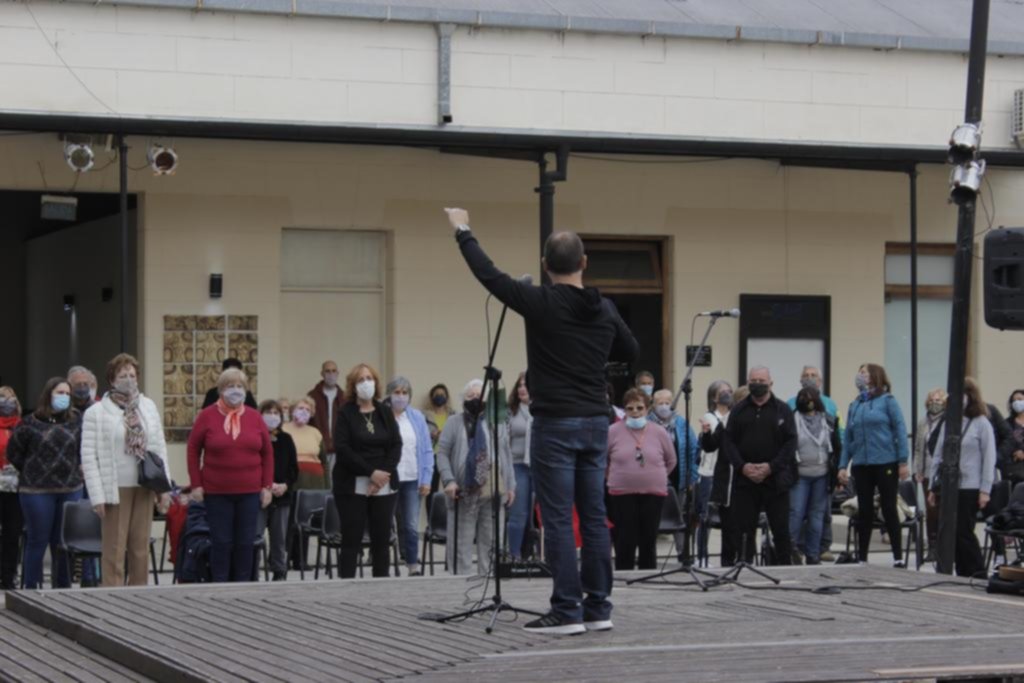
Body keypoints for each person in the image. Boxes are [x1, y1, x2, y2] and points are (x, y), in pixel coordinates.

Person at [447, 207, 638, 635]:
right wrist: (594, 362)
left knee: (555, 518)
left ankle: (566, 611)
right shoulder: (604, 308)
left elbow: (490, 276)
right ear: (584, 263)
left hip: (556, 425)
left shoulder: (540, 301)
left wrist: (463, 231)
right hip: (594, 421)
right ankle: (598, 607)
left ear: (544, 266)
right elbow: (631, 349)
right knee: (593, 517)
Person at [80, 353, 171, 587]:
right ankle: (112, 596)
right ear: (112, 379)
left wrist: (164, 488)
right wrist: (97, 495)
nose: (128, 379)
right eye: (123, 375)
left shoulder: (147, 406)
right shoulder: (96, 412)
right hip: (114, 489)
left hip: (144, 485)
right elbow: (89, 457)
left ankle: (137, 596)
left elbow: (159, 448)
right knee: (114, 549)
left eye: (132, 375)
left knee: (140, 548)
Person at [188, 368, 273, 582]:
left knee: (245, 543)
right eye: (230, 386)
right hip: (217, 492)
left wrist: (267, 486)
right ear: (220, 390)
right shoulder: (207, 415)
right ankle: (219, 587)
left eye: (240, 386)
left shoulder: (254, 417)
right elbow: (193, 449)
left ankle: (242, 588)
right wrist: (196, 484)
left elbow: (267, 453)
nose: (235, 391)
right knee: (222, 542)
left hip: (250, 492)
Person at [6, 378, 83, 588]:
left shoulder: (77, 421)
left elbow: (82, 450)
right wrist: (34, 470)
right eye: (60, 392)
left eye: (68, 394)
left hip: (70, 489)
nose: (64, 397)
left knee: (62, 544)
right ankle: (31, 589)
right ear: (48, 394)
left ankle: (62, 589)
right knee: (37, 541)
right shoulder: (29, 423)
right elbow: (13, 452)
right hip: (37, 491)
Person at [437, 379, 515, 576]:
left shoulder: (497, 421)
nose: (475, 399)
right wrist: (449, 480)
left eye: (479, 396)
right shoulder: (453, 422)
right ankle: (459, 586)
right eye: (470, 396)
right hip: (463, 492)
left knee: (491, 543)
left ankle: (487, 584)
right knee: (460, 545)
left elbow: (506, 454)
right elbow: (443, 453)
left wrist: (511, 485)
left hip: (493, 490)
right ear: (463, 399)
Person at [720, 366, 797, 566]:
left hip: (775, 480)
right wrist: (742, 466)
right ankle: (745, 567)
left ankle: (785, 570)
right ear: (748, 383)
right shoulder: (737, 410)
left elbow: (790, 443)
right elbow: (728, 442)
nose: (758, 384)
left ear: (771, 383)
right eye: (754, 380)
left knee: (780, 529)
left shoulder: (783, 410)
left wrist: (771, 467)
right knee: (744, 530)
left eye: (762, 381)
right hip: (745, 481)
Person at [838, 363, 909, 567]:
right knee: (865, 510)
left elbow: (900, 430)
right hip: (862, 464)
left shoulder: (888, 401)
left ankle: (897, 556)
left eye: (864, 373)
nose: (859, 376)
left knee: (888, 507)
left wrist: (902, 461)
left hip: (885, 461)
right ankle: (862, 557)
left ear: (875, 376)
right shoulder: (855, 405)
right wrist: (843, 465)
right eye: (859, 372)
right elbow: (848, 439)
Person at [334, 363, 400, 578]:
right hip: (352, 483)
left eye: (369, 378)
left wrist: (381, 476)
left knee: (381, 540)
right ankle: (346, 585)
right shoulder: (346, 413)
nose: (366, 383)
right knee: (351, 539)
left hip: (384, 483)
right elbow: (343, 448)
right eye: (361, 380)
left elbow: (395, 445)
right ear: (353, 386)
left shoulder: (384, 412)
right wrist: (371, 473)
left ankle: (380, 585)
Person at [928, 378, 996, 578]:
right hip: (948, 486)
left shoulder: (981, 423)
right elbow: (938, 454)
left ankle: (977, 571)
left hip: (970, 485)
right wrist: (933, 486)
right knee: (949, 530)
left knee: (963, 531)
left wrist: (985, 489)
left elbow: (989, 458)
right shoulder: (949, 422)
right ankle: (961, 570)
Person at [607, 388, 676, 570]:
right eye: (630, 408)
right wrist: (613, 476)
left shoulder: (659, 431)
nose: (635, 412)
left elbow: (671, 460)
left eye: (640, 408)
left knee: (648, 539)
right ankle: (623, 576)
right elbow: (602, 460)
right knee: (624, 540)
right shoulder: (612, 431)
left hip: (654, 493)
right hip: (621, 493)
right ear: (624, 410)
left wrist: (657, 475)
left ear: (648, 409)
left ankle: (648, 577)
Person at [787, 365, 842, 562]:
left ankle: (813, 554)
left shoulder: (828, 419)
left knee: (817, 516)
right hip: (799, 476)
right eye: (804, 399)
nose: (808, 402)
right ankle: (790, 550)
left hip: (822, 475)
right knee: (795, 513)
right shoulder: (792, 417)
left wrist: (838, 472)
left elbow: (837, 445)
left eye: (811, 399)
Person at [386, 376, 434, 576]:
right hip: (389, 478)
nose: (401, 396)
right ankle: (381, 561)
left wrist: (426, 478)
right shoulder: (383, 416)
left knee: (411, 524)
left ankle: (412, 564)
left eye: (404, 393)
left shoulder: (417, 417)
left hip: (412, 477)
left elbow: (426, 450)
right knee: (385, 522)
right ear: (389, 394)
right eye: (397, 392)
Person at [648, 388, 699, 563]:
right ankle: (649, 555)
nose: (664, 406)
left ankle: (683, 553)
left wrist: (692, 476)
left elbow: (693, 449)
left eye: (667, 402)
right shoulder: (647, 423)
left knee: (681, 516)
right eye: (660, 403)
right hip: (652, 480)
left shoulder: (681, 424)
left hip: (679, 479)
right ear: (653, 405)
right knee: (652, 517)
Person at [283, 395, 328, 571]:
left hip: (313, 484)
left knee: (305, 523)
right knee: (289, 522)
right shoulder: (284, 430)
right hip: (292, 482)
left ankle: (301, 559)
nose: (304, 412)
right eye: (301, 408)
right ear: (293, 410)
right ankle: (285, 558)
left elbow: (324, 462)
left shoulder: (315, 433)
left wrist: (326, 487)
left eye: (308, 410)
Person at [259, 400, 298, 581]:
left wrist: (285, 485)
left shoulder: (286, 439)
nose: (272, 416)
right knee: (256, 534)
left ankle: (279, 570)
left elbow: (293, 469)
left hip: (282, 495)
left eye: (276, 413)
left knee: (279, 537)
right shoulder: (256, 437)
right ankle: (253, 568)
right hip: (260, 494)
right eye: (269, 412)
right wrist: (266, 485)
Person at [696, 380, 732, 566]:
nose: (727, 394)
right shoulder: (710, 417)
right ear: (714, 397)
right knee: (705, 516)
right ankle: (701, 556)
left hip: (728, 473)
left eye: (729, 391)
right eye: (723, 392)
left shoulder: (734, 416)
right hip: (709, 472)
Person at [913, 388, 947, 556]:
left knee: (943, 509)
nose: (935, 403)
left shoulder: (948, 421)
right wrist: (917, 469)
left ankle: (944, 544)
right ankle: (932, 545)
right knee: (930, 510)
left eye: (939, 400)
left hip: (941, 471)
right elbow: (919, 448)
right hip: (926, 472)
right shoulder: (922, 422)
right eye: (932, 400)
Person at [506, 373, 535, 561]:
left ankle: (538, 554)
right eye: (519, 385)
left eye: (526, 385)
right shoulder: (511, 411)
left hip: (540, 466)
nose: (522, 389)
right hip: (518, 466)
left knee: (541, 515)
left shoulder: (542, 409)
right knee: (519, 513)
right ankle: (514, 555)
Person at [0, 387, 24, 589]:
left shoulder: (22, 427)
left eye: (10, 399)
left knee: (12, 533)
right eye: (2, 399)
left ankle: (8, 577)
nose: (6, 403)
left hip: (15, 489)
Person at [308, 360, 346, 472]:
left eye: (334, 371)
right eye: (327, 371)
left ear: (338, 373)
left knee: (337, 484)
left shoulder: (344, 398)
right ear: (322, 373)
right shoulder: (312, 396)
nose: (331, 374)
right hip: (318, 449)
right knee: (320, 485)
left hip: (339, 450)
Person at [1001, 389, 1024, 486]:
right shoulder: (1007, 423)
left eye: (1020, 399)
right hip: (1013, 470)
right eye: (1014, 400)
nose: (1016, 402)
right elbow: (1003, 444)